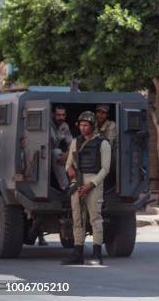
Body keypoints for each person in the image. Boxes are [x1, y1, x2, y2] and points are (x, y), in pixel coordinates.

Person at [61, 111, 111, 266]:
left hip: (93, 181)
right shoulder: (75, 142)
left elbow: (105, 169)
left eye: (86, 125)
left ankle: (97, 254)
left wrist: (91, 185)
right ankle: (78, 252)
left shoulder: (103, 143)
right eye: (81, 125)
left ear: (92, 126)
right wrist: (70, 170)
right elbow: (68, 163)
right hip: (77, 181)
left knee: (95, 219)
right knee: (78, 219)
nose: (83, 128)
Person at [50, 105, 72, 191]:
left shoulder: (64, 125)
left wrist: (67, 154)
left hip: (55, 156)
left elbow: (71, 143)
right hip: (43, 155)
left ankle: (76, 185)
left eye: (63, 115)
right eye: (58, 115)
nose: (61, 117)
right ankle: (65, 187)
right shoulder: (47, 124)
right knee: (56, 152)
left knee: (74, 153)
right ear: (53, 115)